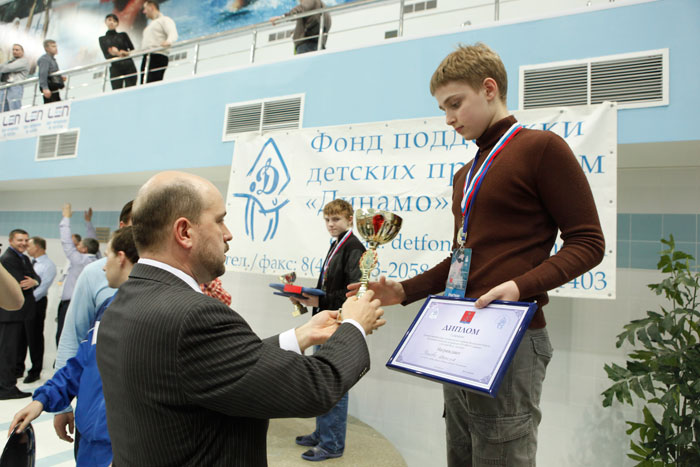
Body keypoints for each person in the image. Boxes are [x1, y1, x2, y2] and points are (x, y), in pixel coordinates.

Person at [349, 43, 605, 466]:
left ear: (489, 89)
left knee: (502, 452)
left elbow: (589, 243)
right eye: (442, 109)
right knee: (462, 450)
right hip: (460, 329)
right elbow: (462, 257)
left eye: (455, 104)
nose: (449, 118)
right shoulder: (465, 174)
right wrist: (404, 290)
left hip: (512, 334)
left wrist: (519, 286)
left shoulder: (541, 148)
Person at [96, 171, 385, 466]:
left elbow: (216, 366)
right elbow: (316, 387)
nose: (228, 233)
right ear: (184, 232)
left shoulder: (124, 302)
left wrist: (300, 336)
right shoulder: (195, 316)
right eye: (219, 220)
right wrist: (355, 325)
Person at [9, 227, 139, 467]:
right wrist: (42, 400)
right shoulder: (109, 308)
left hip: (120, 448)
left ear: (121, 258)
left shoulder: (152, 317)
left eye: (107, 256)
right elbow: (82, 363)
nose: (103, 267)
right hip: (89, 439)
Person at [52, 200, 132, 456]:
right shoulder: (96, 273)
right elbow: (73, 339)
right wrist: (62, 403)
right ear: (123, 227)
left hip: (138, 425)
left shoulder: (169, 282)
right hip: (94, 417)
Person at [291, 199, 365, 461]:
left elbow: (354, 291)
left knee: (333, 384)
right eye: (327, 220)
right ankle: (323, 432)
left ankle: (332, 443)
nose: (331, 224)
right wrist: (308, 296)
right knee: (322, 381)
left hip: (338, 324)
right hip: (327, 320)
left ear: (349, 220)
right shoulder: (337, 244)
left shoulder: (353, 247)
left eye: (336, 219)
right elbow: (330, 283)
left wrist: (320, 300)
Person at [0, 229, 40, 400]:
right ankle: (5, 388)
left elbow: (35, 278)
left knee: (13, 351)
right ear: (10, 241)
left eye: (26, 240)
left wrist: (34, 281)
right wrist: (32, 281)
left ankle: (9, 384)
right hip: (9, 314)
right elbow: (19, 284)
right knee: (7, 352)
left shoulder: (23, 258)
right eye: (19, 240)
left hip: (19, 313)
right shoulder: (8, 259)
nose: (23, 243)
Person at [57, 204, 99, 346]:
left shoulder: (80, 260)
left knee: (64, 338)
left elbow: (66, 242)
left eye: (79, 245)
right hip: (88, 306)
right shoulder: (97, 260)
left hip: (70, 305)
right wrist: (88, 222)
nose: (76, 247)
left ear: (84, 249)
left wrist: (66, 218)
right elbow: (93, 241)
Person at [18, 237, 56, 384]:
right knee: (21, 336)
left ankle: (35, 371)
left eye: (29, 245)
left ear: (38, 247)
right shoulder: (27, 261)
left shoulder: (48, 265)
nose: (26, 247)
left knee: (34, 337)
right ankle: (18, 368)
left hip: (36, 303)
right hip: (23, 303)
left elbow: (43, 287)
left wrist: (27, 300)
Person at [140, 0, 177, 84]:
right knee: (144, 84)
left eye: (145, 8)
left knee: (153, 83)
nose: (144, 12)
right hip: (146, 57)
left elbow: (173, 33)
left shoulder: (164, 20)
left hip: (157, 56)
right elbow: (145, 46)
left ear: (151, 7)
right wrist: (129, 53)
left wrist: (168, 41)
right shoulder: (149, 27)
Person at [98, 14, 137, 90]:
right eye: (109, 20)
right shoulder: (102, 39)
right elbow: (107, 56)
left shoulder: (123, 35)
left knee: (131, 89)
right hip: (115, 67)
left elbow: (132, 50)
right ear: (105, 22)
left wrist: (122, 53)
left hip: (129, 66)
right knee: (117, 91)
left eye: (114, 21)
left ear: (117, 24)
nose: (112, 22)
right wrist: (119, 53)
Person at [0, 44, 29, 111]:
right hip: (4, 87)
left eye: (17, 50)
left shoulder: (23, 61)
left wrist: (2, 67)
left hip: (15, 86)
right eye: (13, 50)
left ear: (22, 52)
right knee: (2, 109)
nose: (14, 51)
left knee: (14, 107)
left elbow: (8, 68)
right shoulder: (9, 62)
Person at [37, 39, 65, 104]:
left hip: (54, 88)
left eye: (56, 46)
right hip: (49, 88)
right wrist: (45, 88)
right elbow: (42, 74)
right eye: (53, 46)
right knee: (51, 106)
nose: (56, 48)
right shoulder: (44, 59)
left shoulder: (52, 59)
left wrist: (60, 78)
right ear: (46, 48)